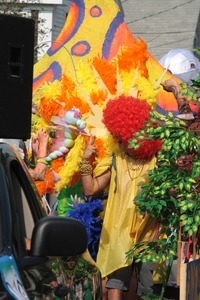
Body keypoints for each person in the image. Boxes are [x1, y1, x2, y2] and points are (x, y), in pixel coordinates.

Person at [79, 95, 162, 300]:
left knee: (149, 290)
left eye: (122, 136)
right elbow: (90, 190)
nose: (119, 140)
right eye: (117, 136)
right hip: (118, 234)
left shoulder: (156, 162)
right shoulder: (114, 160)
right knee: (115, 285)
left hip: (149, 235)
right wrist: (85, 160)